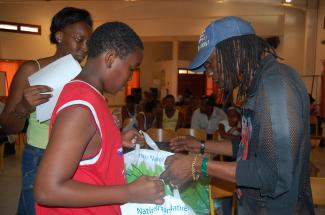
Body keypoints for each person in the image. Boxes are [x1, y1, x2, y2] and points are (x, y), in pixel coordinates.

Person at [161, 16, 314, 214]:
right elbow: (250, 148)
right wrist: (201, 145)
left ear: (235, 50)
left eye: (210, 63)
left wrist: (198, 165)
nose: (209, 73)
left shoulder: (276, 86)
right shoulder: (259, 84)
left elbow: (273, 174)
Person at [34, 22, 164, 214]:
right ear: (110, 58)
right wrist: (128, 192)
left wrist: (115, 142)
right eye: (131, 68)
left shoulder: (94, 97)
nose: (130, 78)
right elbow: (47, 191)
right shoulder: (80, 107)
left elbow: (85, 147)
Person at [0, 7, 93, 215]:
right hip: (41, 154)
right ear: (59, 36)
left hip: (78, 154)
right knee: (35, 209)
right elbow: (7, 124)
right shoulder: (32, 70)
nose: (85, 48)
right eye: (79, 39)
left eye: (88, 42)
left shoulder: (86, 76)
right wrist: (24, 106)